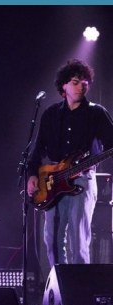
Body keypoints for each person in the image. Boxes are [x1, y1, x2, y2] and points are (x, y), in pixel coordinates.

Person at [27, 59, 113, 278]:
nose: (81, 86)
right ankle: (60, 291)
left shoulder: (96, 113)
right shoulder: (50, 114)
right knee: (52, 240)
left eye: (85, 82)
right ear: (64, 85)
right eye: (75, 82)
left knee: (78, 239)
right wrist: (31, 175)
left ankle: (80, 295)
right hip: (53, 180)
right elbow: (37, 150)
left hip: (82, 181)